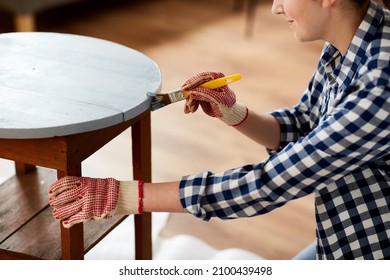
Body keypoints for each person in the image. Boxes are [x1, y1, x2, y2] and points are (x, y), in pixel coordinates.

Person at [48, 0, 390, 260]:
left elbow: (270, 183)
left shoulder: (380, 83)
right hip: (344, 233)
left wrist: (125, 197)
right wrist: (234, 112)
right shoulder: (348, 44)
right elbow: (304, 129)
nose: (274, 7)